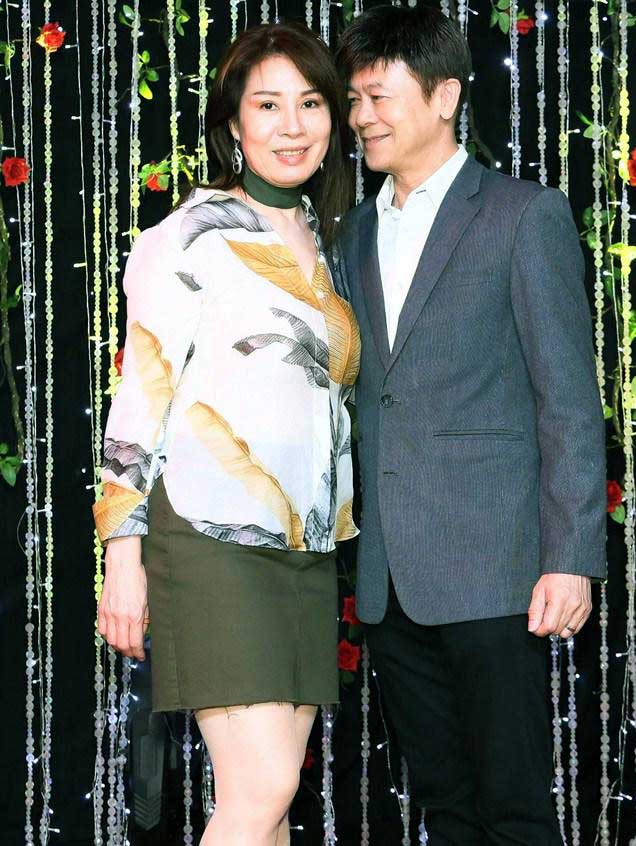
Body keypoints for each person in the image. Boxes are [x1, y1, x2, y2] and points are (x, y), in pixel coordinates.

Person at [333, 5, 606, 844]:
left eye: (379, 97)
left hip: (497, 570)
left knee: (515, 813)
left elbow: (568, 400)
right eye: (354, 99)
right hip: (388, 579)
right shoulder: (352, 231)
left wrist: (571, 558)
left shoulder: (524, 215)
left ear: (445, 95)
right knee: (444, 810)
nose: (361, 117)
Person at [93, 21, 360, 846]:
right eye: (268, 105)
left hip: (308, 547)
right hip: (211, 536)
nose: (292, 125)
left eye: (311, 103)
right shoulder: (188, 235)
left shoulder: (326, 241)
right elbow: (140, 397)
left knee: (271, 801)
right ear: (233, 123)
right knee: (263, 787)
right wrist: (122, 558)